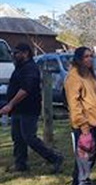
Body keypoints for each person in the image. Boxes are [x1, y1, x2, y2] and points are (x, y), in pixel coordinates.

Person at [0, 43, 63, 172]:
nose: (13, 55)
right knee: (17, 138)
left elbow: (25, 90)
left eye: (16, 53)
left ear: (25, 53)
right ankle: (20, 164)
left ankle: (54, 158)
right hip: (18, 109)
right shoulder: (20, 67)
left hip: (28, 109)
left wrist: (10, 104)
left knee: (29, 137)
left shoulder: (30, 68)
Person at [64, 46, 96, 185]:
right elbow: (74, 104)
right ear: (79, 59)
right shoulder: (74, 77)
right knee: (85, 157)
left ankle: (77, 182)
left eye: (91, 56)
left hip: (94, 122)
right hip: (84, 125)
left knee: (90, 156)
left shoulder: (89, 74)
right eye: (86, 56)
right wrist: (83, 125)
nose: (90, 59)